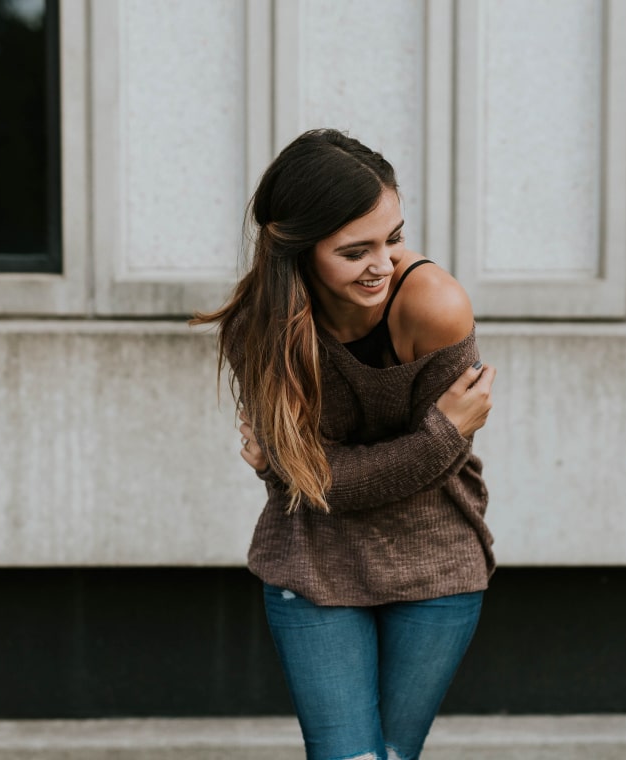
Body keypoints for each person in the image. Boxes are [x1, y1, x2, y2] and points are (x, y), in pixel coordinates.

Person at [193, 129, 496, 760]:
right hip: (312, 561)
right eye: (355, 251)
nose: (383, 264)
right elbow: (313, 478)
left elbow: (316, 471)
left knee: (389, 756)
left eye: (394, 237)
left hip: (434, 563)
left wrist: (295, 467)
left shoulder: (434, 305)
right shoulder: (261, 327)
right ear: (295, 250)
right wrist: (439, 435)